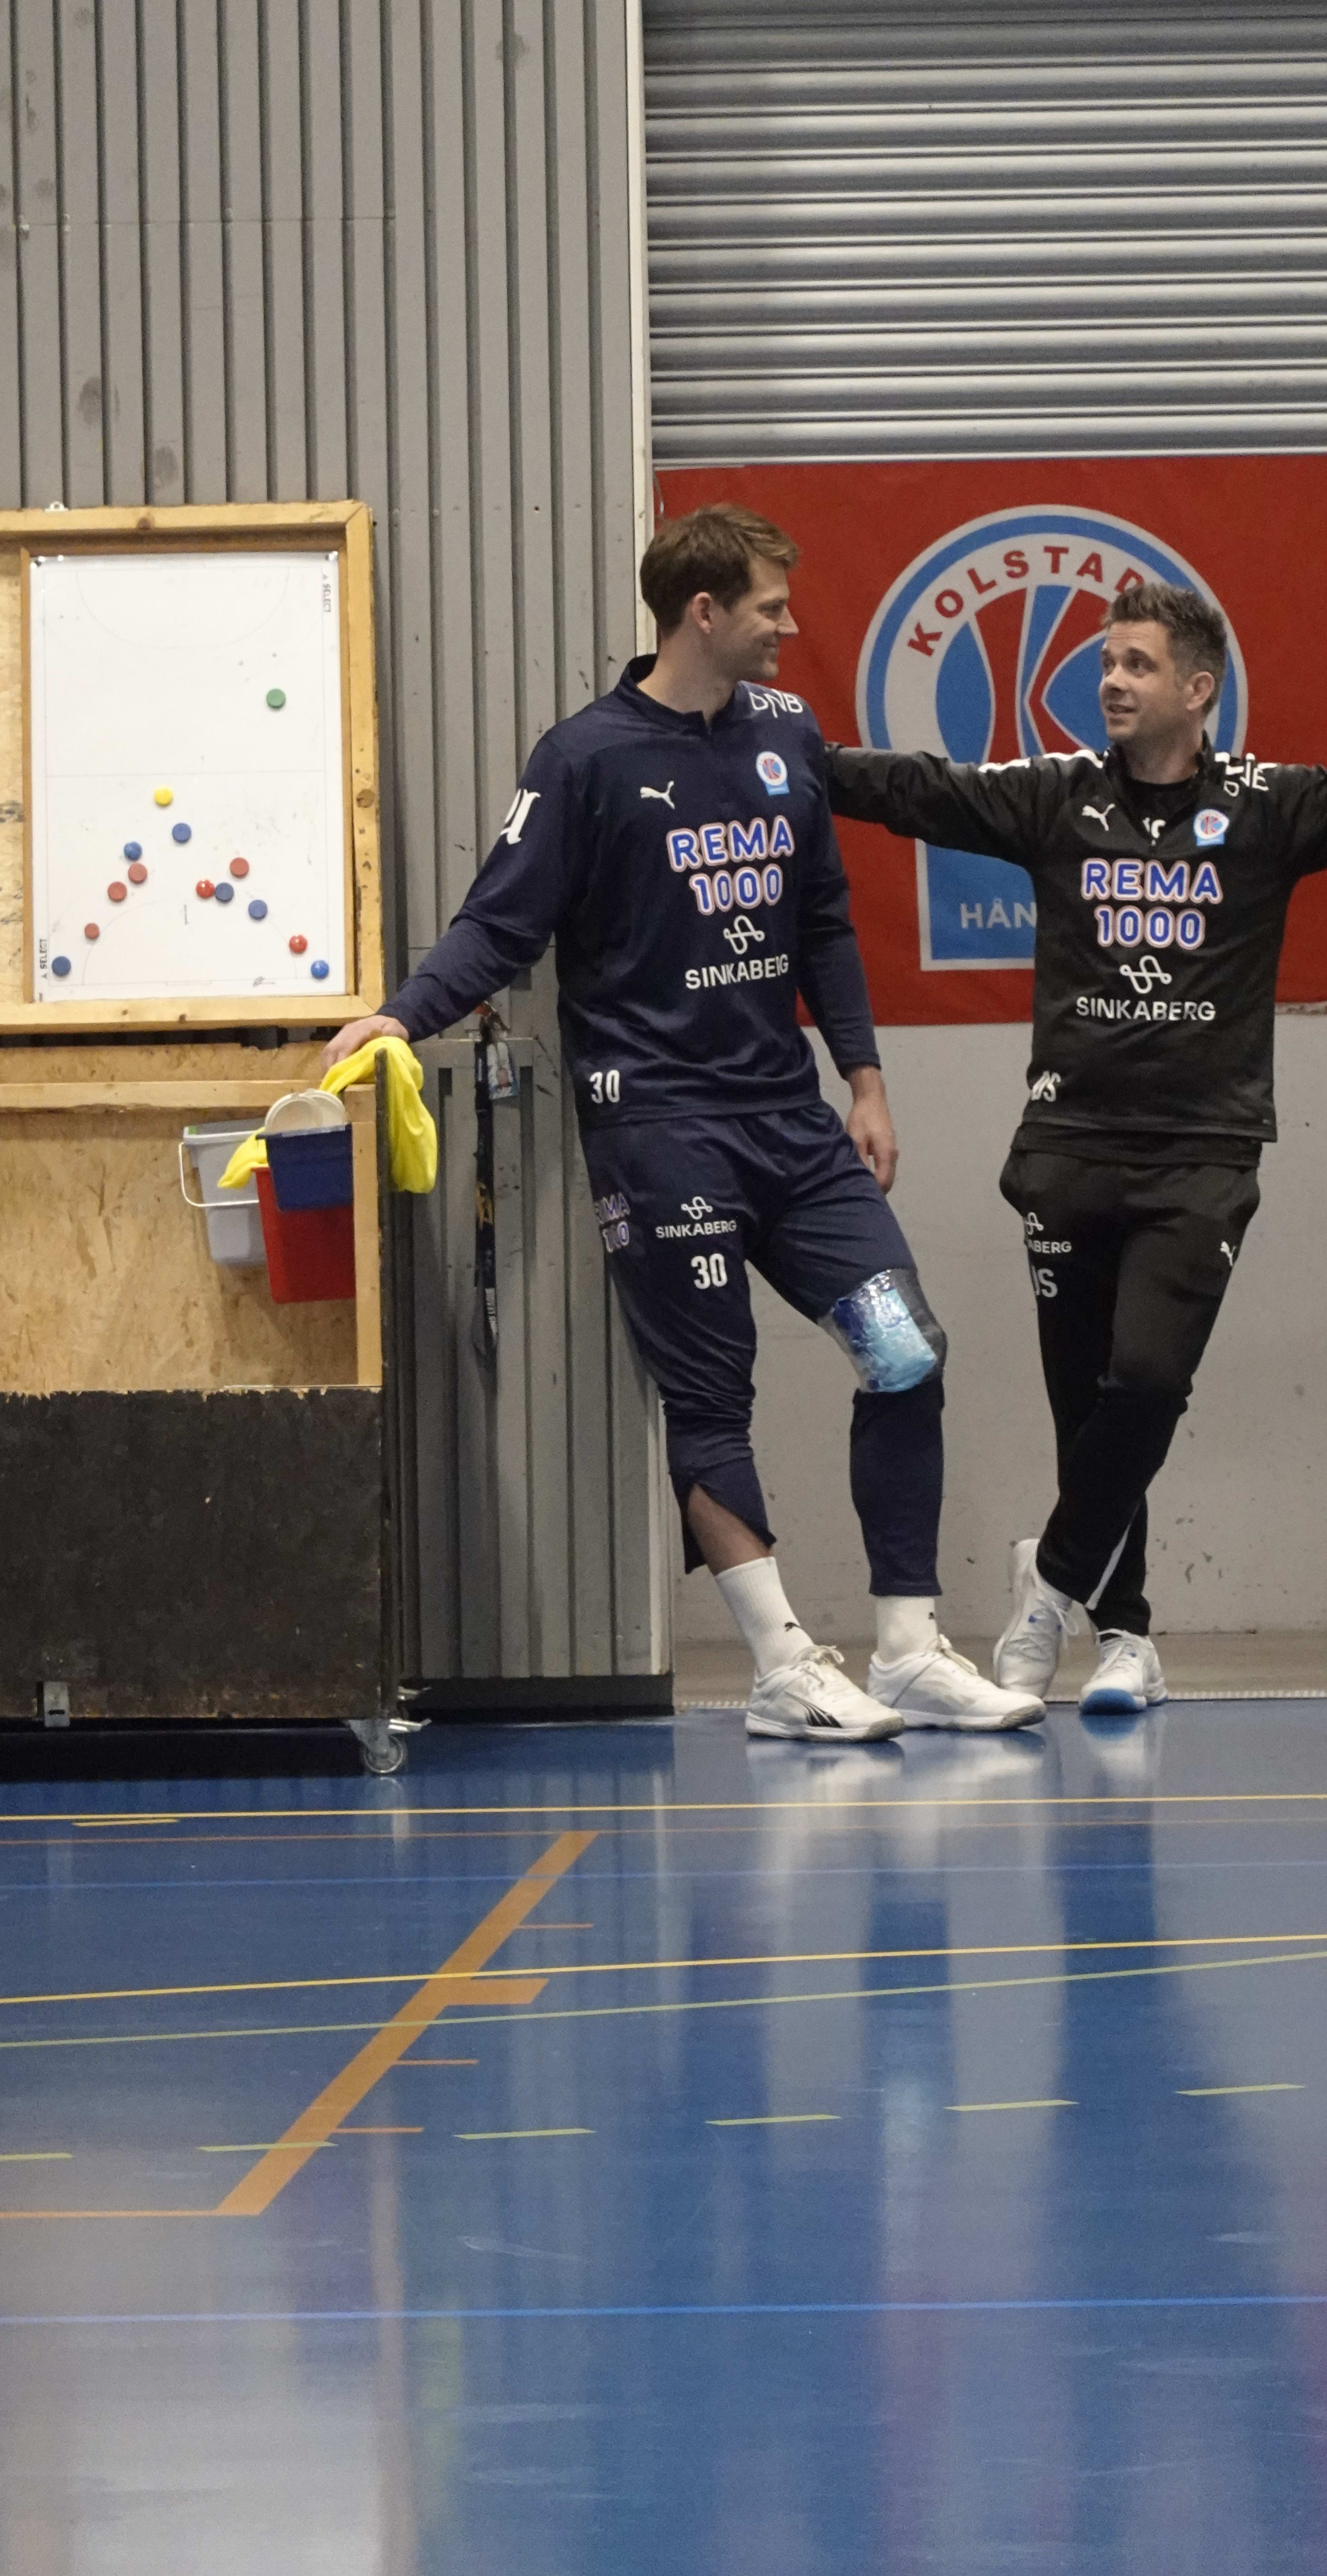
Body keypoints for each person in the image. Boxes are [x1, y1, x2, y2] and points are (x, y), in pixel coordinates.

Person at [326, 504, 1035, 1740]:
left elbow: (823, 918)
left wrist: (864, 1081)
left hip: (791, 1124)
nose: (789, 626)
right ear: (703, 612)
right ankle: (782, 1668)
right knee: (712, 1399)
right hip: (658, 1127)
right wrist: (400, 1015)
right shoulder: (584, 759)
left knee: (905, 1351)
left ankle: (910, 1650)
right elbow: (500, 924)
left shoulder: (786, 734)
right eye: (771, 606)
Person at [823, 581, 1327, 1715]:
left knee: (1148, 1382)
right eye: (1105, 663)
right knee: (1086, 1409)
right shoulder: (1055, 799)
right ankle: (1125, 1636)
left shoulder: (1268, 809)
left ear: (1198, 687)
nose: (1110, 682)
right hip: (1068, 1146)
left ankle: (1053, 1580)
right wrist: (779, 747)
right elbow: (911, 789)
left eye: (1135, 664)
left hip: (1203, 1153)